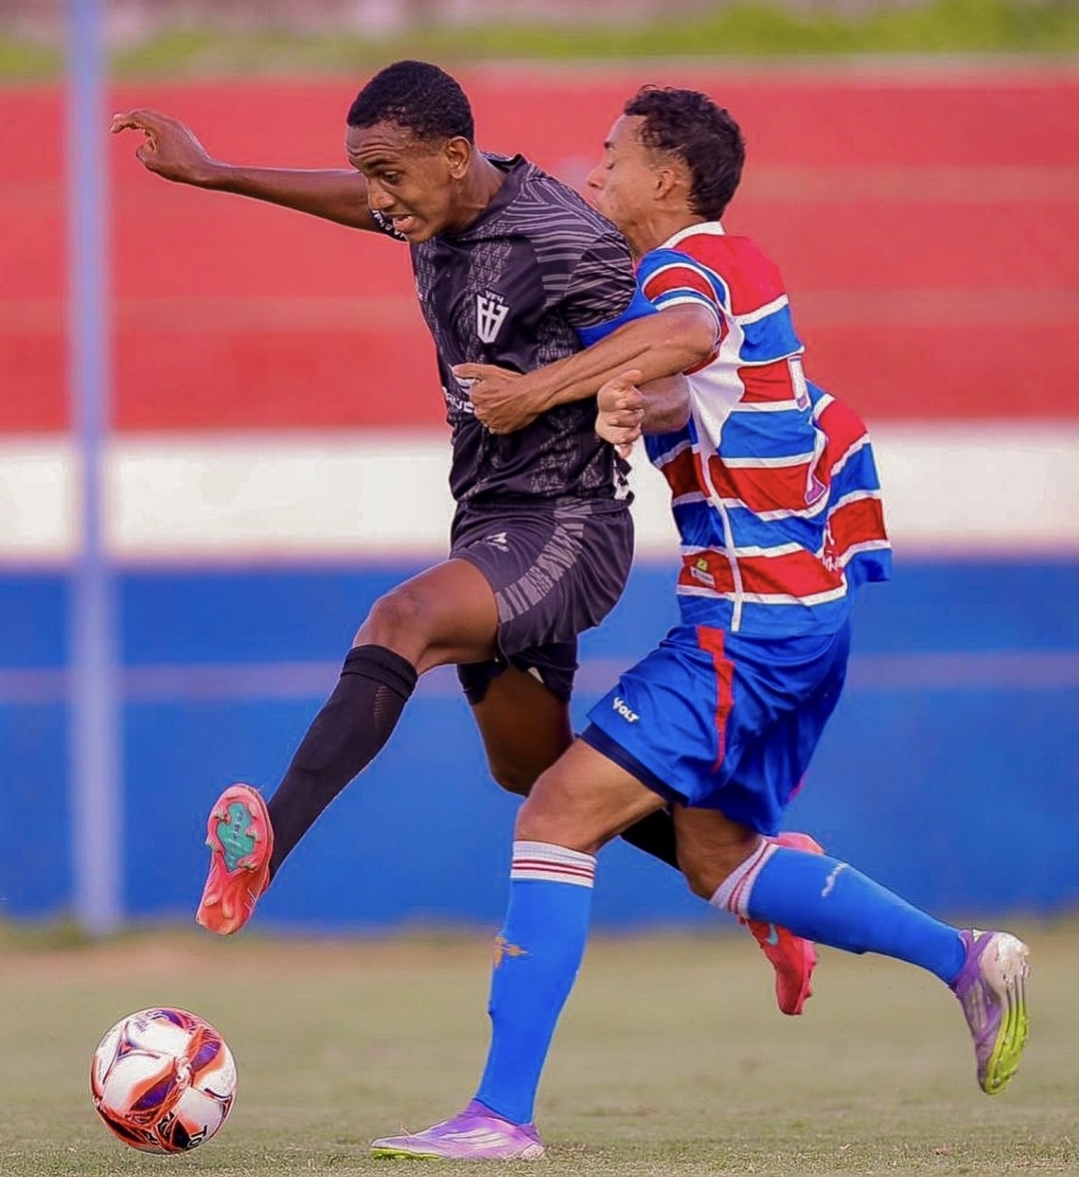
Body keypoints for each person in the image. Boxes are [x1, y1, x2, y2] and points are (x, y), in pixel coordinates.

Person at [368, 86, 1031, 1161]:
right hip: (798, 619)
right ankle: (967, 960)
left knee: (551, 815)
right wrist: (630, 398)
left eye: (611, 158)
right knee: (712, 849)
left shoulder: (687, 270)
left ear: (667, 181)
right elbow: (691, 382)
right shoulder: (730, 266)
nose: (592, 177)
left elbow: (685, 331)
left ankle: (499, 1116)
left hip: (747, 625)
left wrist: (539, 393)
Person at [110, 60, 818, 1014]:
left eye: (391, 175)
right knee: (531, 771)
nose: (378, 199)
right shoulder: (427, 206)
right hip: (490, 518)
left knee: (401, 617)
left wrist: (576, 396)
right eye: (368, 175)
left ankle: (265, 845)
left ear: (454, 157)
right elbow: (359, 200)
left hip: (569, 527)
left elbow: (679, 346)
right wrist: (216, 172)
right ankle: (757, 876)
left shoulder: (560, 237)